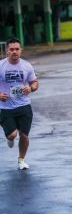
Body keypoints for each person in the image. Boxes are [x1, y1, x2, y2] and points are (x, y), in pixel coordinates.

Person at [0, 38, 38, 170]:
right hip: (5, 107)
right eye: (11, 49)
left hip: (24, 106)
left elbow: (35, 82)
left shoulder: (27, 66)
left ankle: (21, 160)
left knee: (24, 135)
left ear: (21, 51)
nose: (14, 51)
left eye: (17, 49)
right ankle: (9, 138)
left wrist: (31, 88)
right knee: (12, 135)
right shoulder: (1, 66)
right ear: (7, 52)